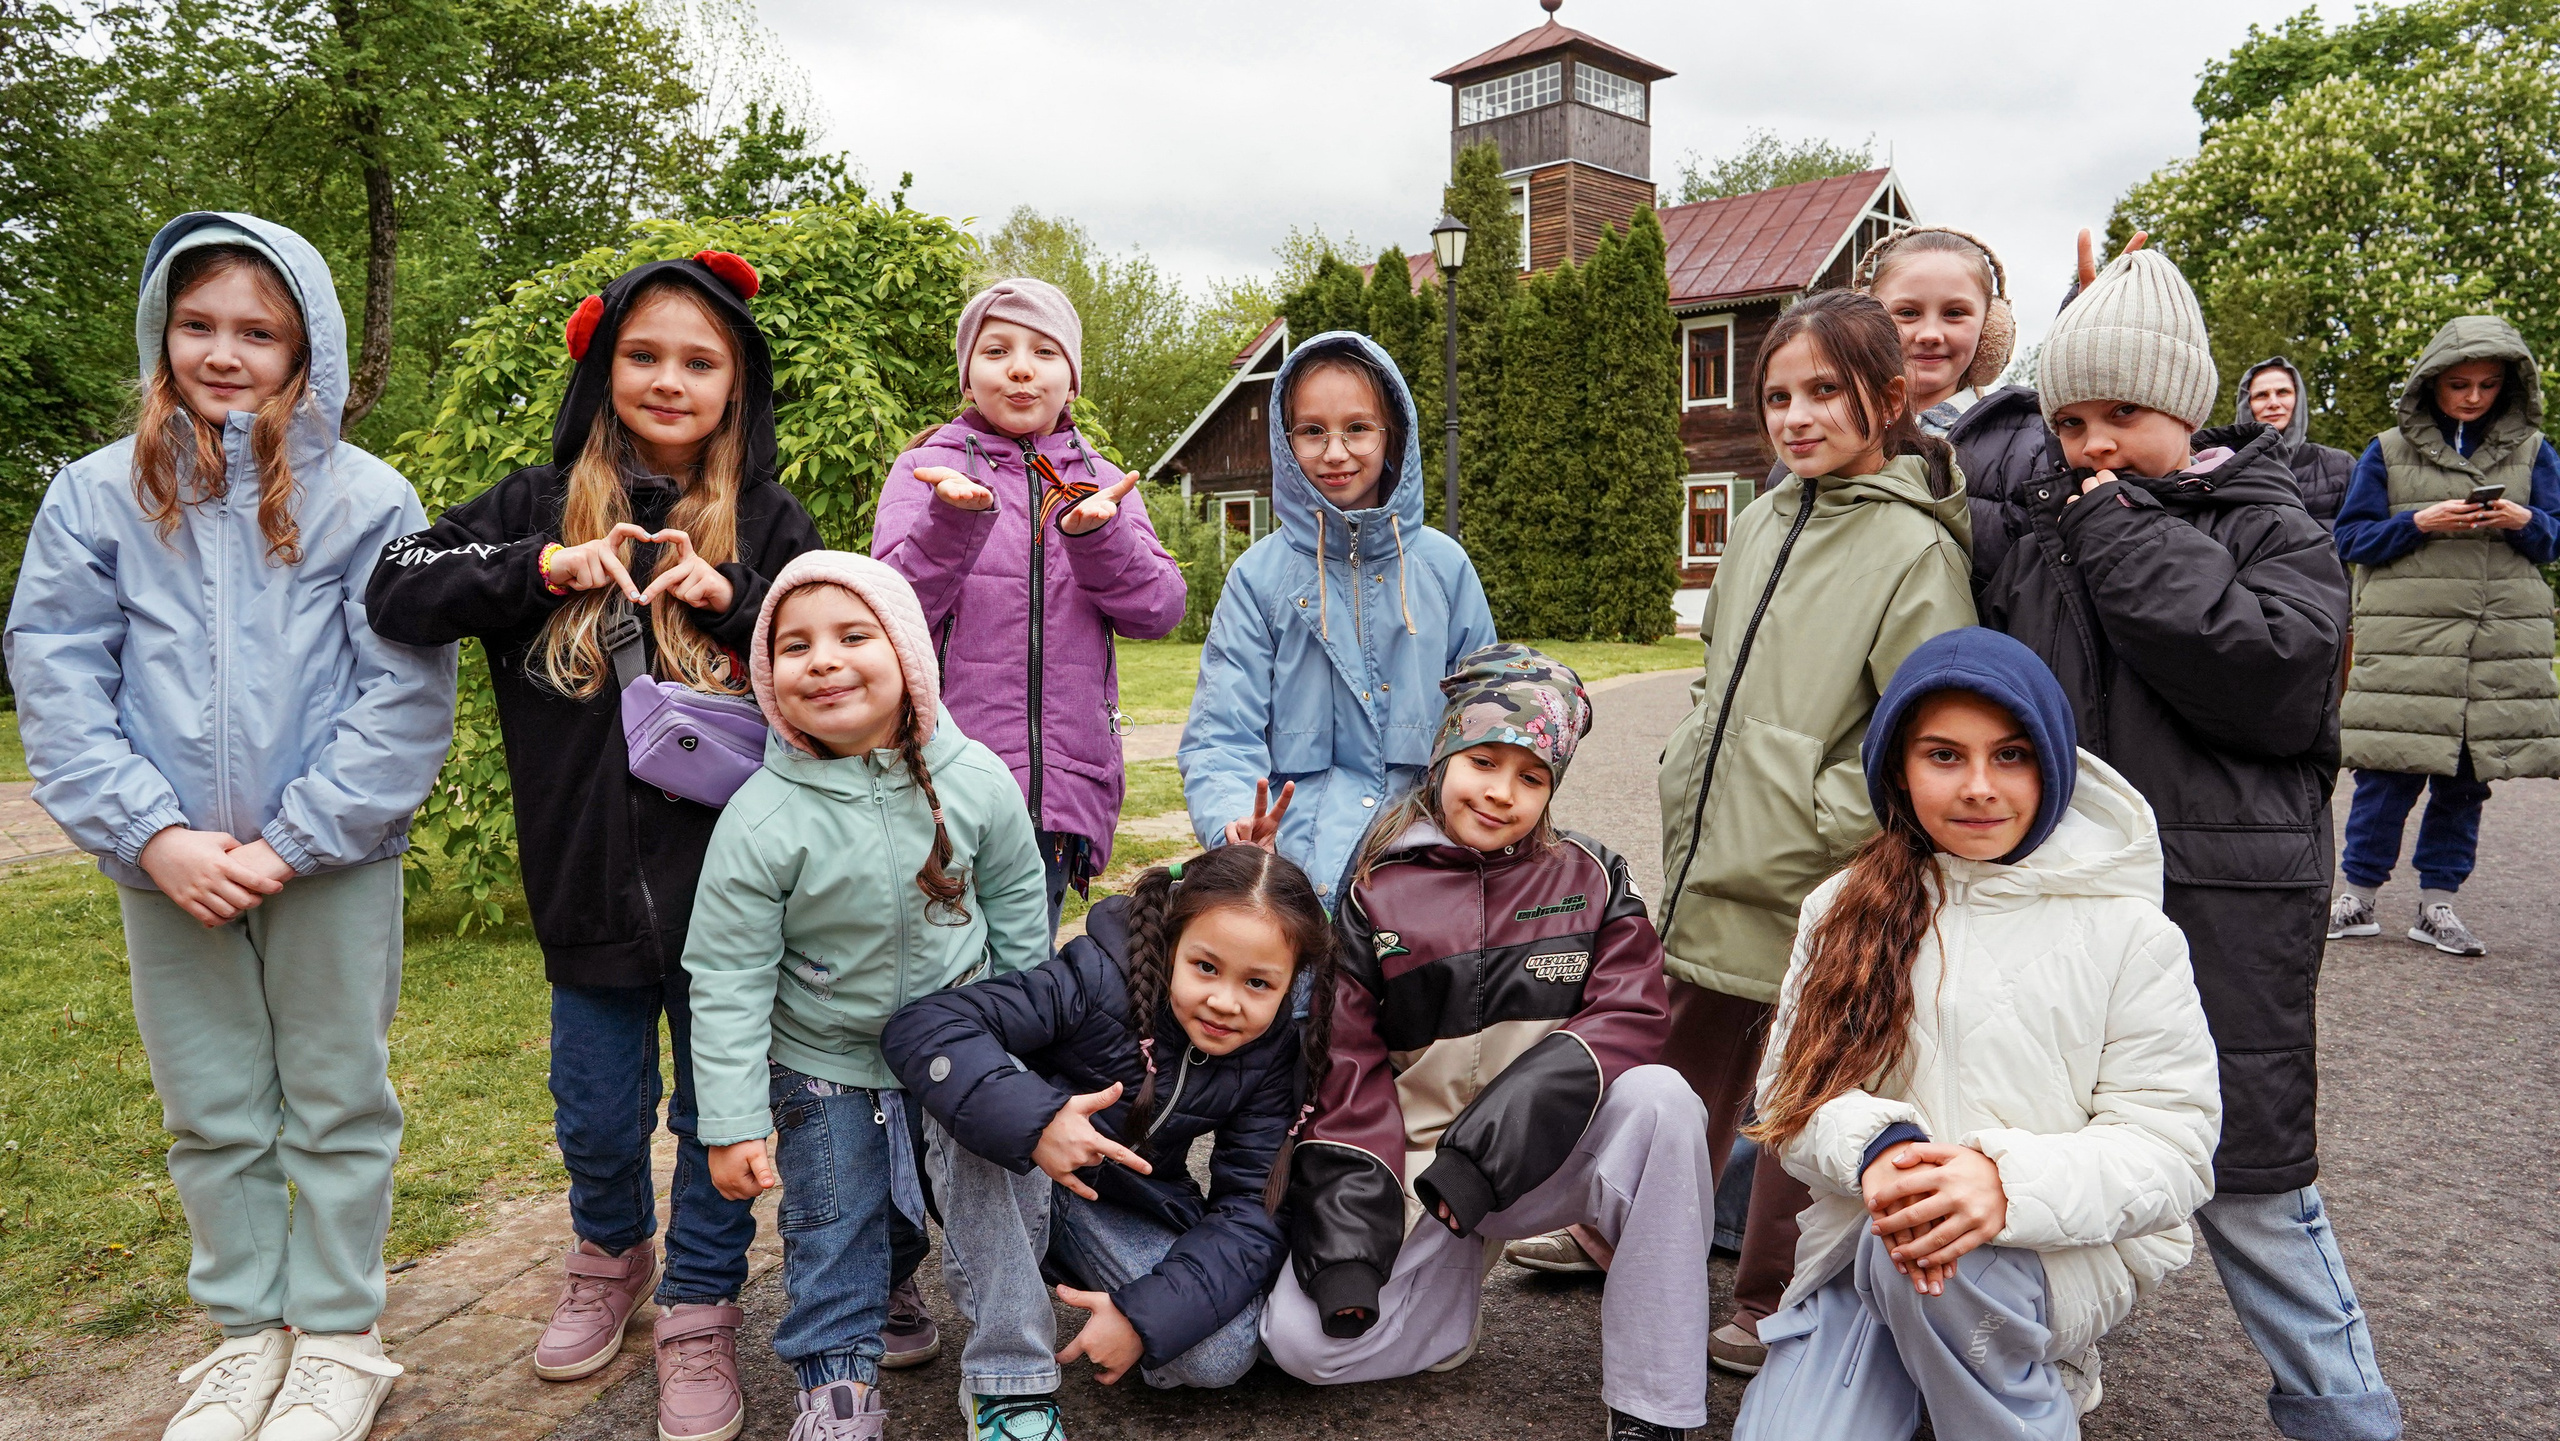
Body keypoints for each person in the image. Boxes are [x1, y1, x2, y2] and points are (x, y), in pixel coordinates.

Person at [6, 211, 456, 1441]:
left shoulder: (369, 497)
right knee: (209, 1106)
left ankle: (338, 1339)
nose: (225, 351)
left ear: (307, 344)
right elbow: (55, 670)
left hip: (327, 864)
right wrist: (152, 835)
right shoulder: (99, 492)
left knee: (335, 1097)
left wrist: (289, 840)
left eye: (257, 330)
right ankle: (248, 1335)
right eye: (198, 323)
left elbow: (402, 689)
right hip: (169, 874)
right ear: (161, 332)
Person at [363, 251, 822, 1441]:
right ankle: (611, 1253)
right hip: (583, 892)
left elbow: (841, 645)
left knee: (719, 1115)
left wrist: (738, 597)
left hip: (737, 898)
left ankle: (701, 1307)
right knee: (595, 1111)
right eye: (645, 354)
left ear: (737, 383)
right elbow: (394, 581)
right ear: (605, 366)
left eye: (699, 361)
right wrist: (543, 567)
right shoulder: (528, 503)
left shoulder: (771, 520)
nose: (670, 379)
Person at [1976, 248, 2402, 1440]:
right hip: (2078, 895)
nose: (2094, 442)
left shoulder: (2274, 523)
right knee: (2064, 1149)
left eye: (2124, 413)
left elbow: (2271, 677)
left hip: (2221, 899)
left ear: (2190, 408)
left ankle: (2342, 1410)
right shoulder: (2044, 528)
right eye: (2069, 419)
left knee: (2252, 1182)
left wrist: (2119, 535)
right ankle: (2039, 1385)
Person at [1732, 627, 2220, 1439]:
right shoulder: (1842, 908)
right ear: (1898, 766)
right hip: (1869, 1239)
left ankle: (2020, 1380)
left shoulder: (2130, 930)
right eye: (1945, 756)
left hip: (2055, 1253)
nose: (1980, 787)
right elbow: (1790, 1097)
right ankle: (1944, 1364)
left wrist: (2001, 1183)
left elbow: (2175, 1146)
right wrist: (1878, 1149)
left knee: (1954, 1269)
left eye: (2012, 755)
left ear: (2053, 762)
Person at [1266, 644, 1712, 1441]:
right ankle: (1450, 1298)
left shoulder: (1596, 879)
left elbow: (1633, 1016)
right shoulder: (1372, 890)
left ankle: (1655, 1406)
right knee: (1302, 1346)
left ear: (1552, 788)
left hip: (1543, 1153)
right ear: (1444, 753)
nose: (1502, 792)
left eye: (1532, 776)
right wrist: (1353, 1243)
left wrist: (1490, 1154)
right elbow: (1349, 1075)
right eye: (1483, 760)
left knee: (1665, 1102)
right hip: (1428, 1173)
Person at [1653, 289, 1975, 1377]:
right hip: (1718, 856)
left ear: (1885, 399)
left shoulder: (1913, 549)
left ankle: (1769, 1292)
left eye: (1823, 392)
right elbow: (1718, 686)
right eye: (1777, 394)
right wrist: (1687, 768)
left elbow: (1921, 729)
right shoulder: (1756, 520)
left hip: (1813, 869)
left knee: (1804, 1086)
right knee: (1680, 1067)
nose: (1795, 416)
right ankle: (1632, 1236)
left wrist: (1815, 814)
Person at [685, 552, 1050, 1441]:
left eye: (854, 636)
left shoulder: (976, 780)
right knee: (832, 1219)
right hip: (825, 1058)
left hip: (960, 1051)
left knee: (990, 1210)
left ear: (910, 659)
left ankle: (1010, 1383)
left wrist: (1021, 1043)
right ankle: (836, 1390)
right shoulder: (763, 816)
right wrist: (731, 1122)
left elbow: (1019, 909)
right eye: (795, 645)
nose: (824, 660)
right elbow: (728, 976)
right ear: (771, 681)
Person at [882, 844, 1336, 1437]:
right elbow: (924, 1026)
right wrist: (1039, 1119)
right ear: (1172, 945)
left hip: (1114, 1203)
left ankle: (1080, 1300)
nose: (1225, 1002)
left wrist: (1140, 1316)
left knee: (1220, 1356)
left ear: (1291, 983)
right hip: (1009, 1174)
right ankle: (1006, 1384)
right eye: (1205, 967)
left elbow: (1251, 1208)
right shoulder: (1098, 978)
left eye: (1257, 983)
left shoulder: (1274, 1052)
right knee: (995, 1097)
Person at [873, 276, 1187, 935]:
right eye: (996, 350)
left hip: (1060, 796)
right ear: (968, 377)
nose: (1020, 367)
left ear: (1071, 380)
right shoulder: (923, 470)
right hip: (943, 790)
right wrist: (950, 523)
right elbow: (886, 611)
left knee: (1024, 980)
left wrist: (1098, 537)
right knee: (933, 978)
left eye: (1045, 352)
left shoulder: (1100, 480)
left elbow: (1158, 611)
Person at [1181, 331, 1496, 905]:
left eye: (1357, 428)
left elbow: (1484, 723)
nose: (1335, 452)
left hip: (1424, 859)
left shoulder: (1444, 569)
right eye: (1312, 431)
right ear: (1285, 440)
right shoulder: (1259, 577)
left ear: (1391, 433)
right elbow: (1221, 734)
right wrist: (1234, 825)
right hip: (1289, 864)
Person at [2329, 316, 2560, 956]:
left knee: (2465, 783)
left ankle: (2439, 907)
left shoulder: (2537, 453)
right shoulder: (2385, 450)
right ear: (2431, 383)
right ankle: (2358, 898)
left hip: (2491, 649)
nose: (2473, 397)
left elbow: (2554, 539)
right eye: (2459, 383)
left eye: (2488, 385)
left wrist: (2526, 519)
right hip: (2409, 646)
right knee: (2385, 775)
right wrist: (2420, 521)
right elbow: (2349, 539)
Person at [2238, 357, 2353, 527]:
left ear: (2298, 399)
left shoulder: (2340, 466)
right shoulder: (2228, 470)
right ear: (2247, 404)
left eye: (2283, 392)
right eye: (2261, 395)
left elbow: (2356, 537)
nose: (2274, 403)